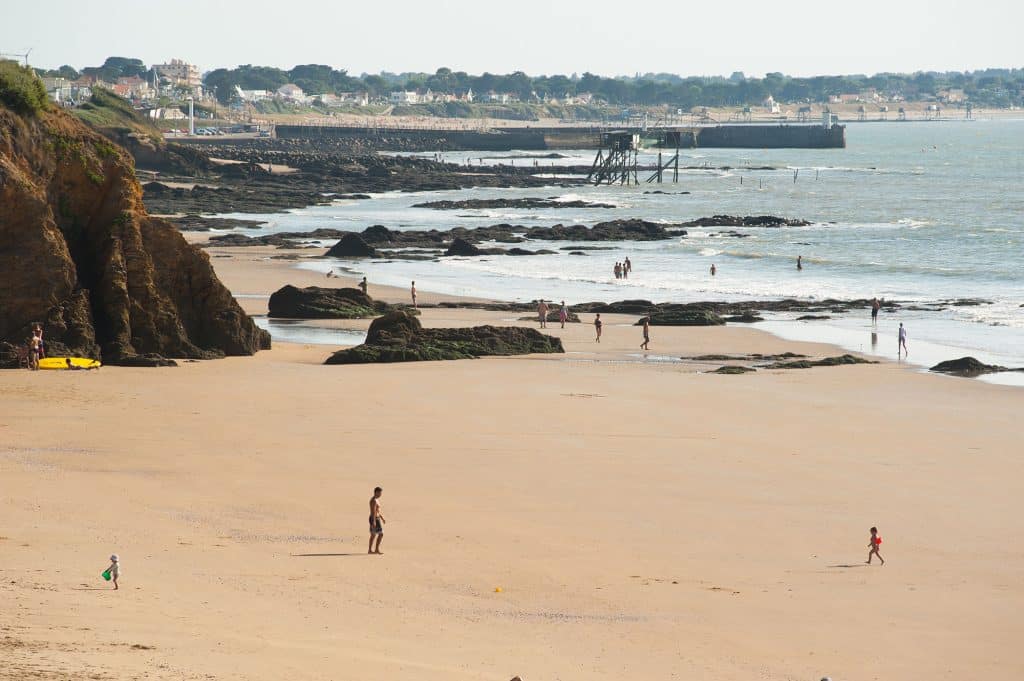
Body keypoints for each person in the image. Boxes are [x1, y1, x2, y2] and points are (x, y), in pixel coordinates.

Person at [368, 487, 385, 555]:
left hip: (376, 518)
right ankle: (375, 549)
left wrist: (382, 518)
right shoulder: (373, 500)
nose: (380, 494)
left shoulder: (376, 500)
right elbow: (373, 512)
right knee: (380, 534)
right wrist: (374, 521)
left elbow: (377, 511)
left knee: (374, 535)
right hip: (374, 518)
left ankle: (371, 550)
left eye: (381, 493)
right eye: (379, 492)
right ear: (375, 492)